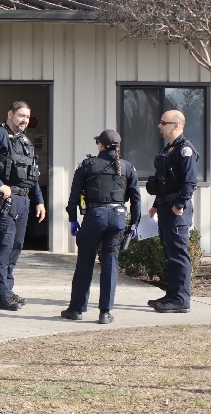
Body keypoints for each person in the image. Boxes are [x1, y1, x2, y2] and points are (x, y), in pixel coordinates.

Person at [61, 129, 141, 324]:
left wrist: (73, 219)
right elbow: (136, 200)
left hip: (94, 218)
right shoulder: (128, 167)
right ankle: (105, 312)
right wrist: (134, 224)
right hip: (118, 219)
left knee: (85, 263)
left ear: (101, 145)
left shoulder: (88, 165)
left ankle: (77, 309)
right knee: (110, 265)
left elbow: (74, 196)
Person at [0, 101, 46, 311]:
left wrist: (40, 201)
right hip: (5, 199)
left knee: (15, 246)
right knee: (3, 246)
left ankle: (7, 289)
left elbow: (32, 175)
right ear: (10, 114)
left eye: (27, 117)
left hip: (23, 200)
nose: (24, 120)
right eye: (20, 116)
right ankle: (1, 294)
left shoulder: (24, 141)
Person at [146, 110, 198, 313]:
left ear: (176, 125)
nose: (159, 126)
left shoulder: (185, 150)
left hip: (177, 212)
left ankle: (181, 300)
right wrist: (157, 204)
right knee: (170, 253)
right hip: (167, 208)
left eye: (163, 122)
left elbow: (190, 181)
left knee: (178, 254)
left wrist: (180, 204)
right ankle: (172, 295)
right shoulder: (170, 150)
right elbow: (165, 182)